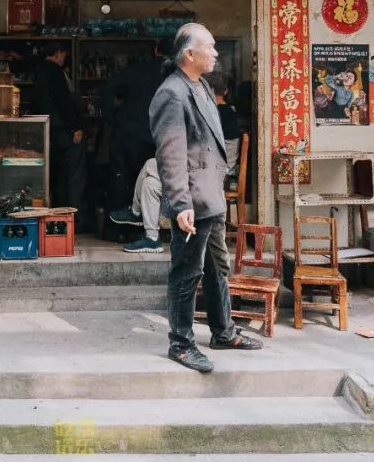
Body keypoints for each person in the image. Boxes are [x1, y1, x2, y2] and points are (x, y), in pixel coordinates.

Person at [150, 23, 261, 372]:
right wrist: (179, 203)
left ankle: (223, 331)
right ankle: (181, 344)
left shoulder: (202, 87)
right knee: (187, 272)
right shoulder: (172, 93)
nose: (215, 53)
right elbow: (170, 154)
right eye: (210, 47)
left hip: (211, 197)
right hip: (192, 202)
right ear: (189, 54)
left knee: (217, 268)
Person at [113, 71, 241, 253]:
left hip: (208, 174)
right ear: (226, 91)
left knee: (151, 164)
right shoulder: (224, 113)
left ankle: (135, 212)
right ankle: (151, 238)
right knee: (150, 183)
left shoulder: (215, 113)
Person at [102, 37, 172, 212]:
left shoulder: (137, 69)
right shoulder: (176, 75)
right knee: (152, 180)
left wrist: (110, 117)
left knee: (120, 178)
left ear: (156, 50)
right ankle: (148, 228)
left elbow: (108, 87)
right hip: (156, 137)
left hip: (127, 132)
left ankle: (117, 228)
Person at [33, 43, 88, 230]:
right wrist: (76, 127)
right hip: (64, 130)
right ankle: (75, 219)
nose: (63, 59)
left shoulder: (39, 71)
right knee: (74, 175)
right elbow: (63, 102)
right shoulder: (55, 71)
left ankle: (58, 216)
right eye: (63, 55)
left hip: (48, 130)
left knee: (56, 175)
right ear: (57, 54)